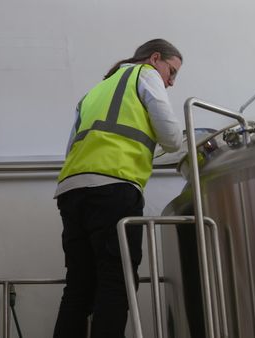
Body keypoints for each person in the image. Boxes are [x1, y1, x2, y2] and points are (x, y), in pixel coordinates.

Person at [53, 39, 183, 338]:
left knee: (79, 286)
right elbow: (172, 138)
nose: (171, 81)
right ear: (155, 59)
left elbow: (72, 145)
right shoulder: (145, 75)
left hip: (71, 190)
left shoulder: (93, 92)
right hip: (114, 186)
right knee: (116, 280)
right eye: (172, 72)